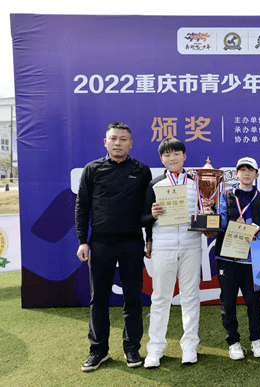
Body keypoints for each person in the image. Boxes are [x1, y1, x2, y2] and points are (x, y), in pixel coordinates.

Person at [75, 122, 152, 371]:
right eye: (113, 139)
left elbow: (149, 210)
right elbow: (82, 207)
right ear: (105, 142)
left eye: (123, 139)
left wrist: (149, 238)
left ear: (131, 143)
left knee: (133, 299)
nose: (118, 143)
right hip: (100, 242)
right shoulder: (92, 169)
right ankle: (98, 350)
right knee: (98, 299)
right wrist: (82, 241)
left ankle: (132, 349)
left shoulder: (142, 171)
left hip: (132, 242)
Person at [140, 137, 205, 368]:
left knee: (190, 298)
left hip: (191, 246)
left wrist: (208, 221)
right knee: (160, 299)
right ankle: (155, 349)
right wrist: (153, 218)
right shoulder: (154, 184)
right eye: (167, 155)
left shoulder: (198, 184)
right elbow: (143, 218)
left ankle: (189, 347)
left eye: (176, 153)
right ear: (161, 159)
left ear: (184, 156)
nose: (172, 158)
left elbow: (206, 213)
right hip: (163, 247)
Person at [213, 157, 260, 360]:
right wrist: (230, 226)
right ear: (236, 174)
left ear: (256, 174)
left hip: (251, 260)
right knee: (228, 302)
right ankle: (234, 342)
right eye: (242, 170)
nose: (246, 173)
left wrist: (256, 234)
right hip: (227, 258)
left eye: (250, 170)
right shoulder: (225, 196)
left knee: (253, 301)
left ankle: (256, 339)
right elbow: (219, 221)